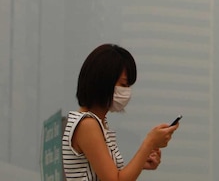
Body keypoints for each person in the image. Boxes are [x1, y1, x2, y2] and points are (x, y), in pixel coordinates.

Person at [62, 44, 179, 181]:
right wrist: (150, 142)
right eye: (123, 85)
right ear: (104, 82)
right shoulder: (87, 124)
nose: (127, 92)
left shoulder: (97, 123)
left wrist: (141, 161)